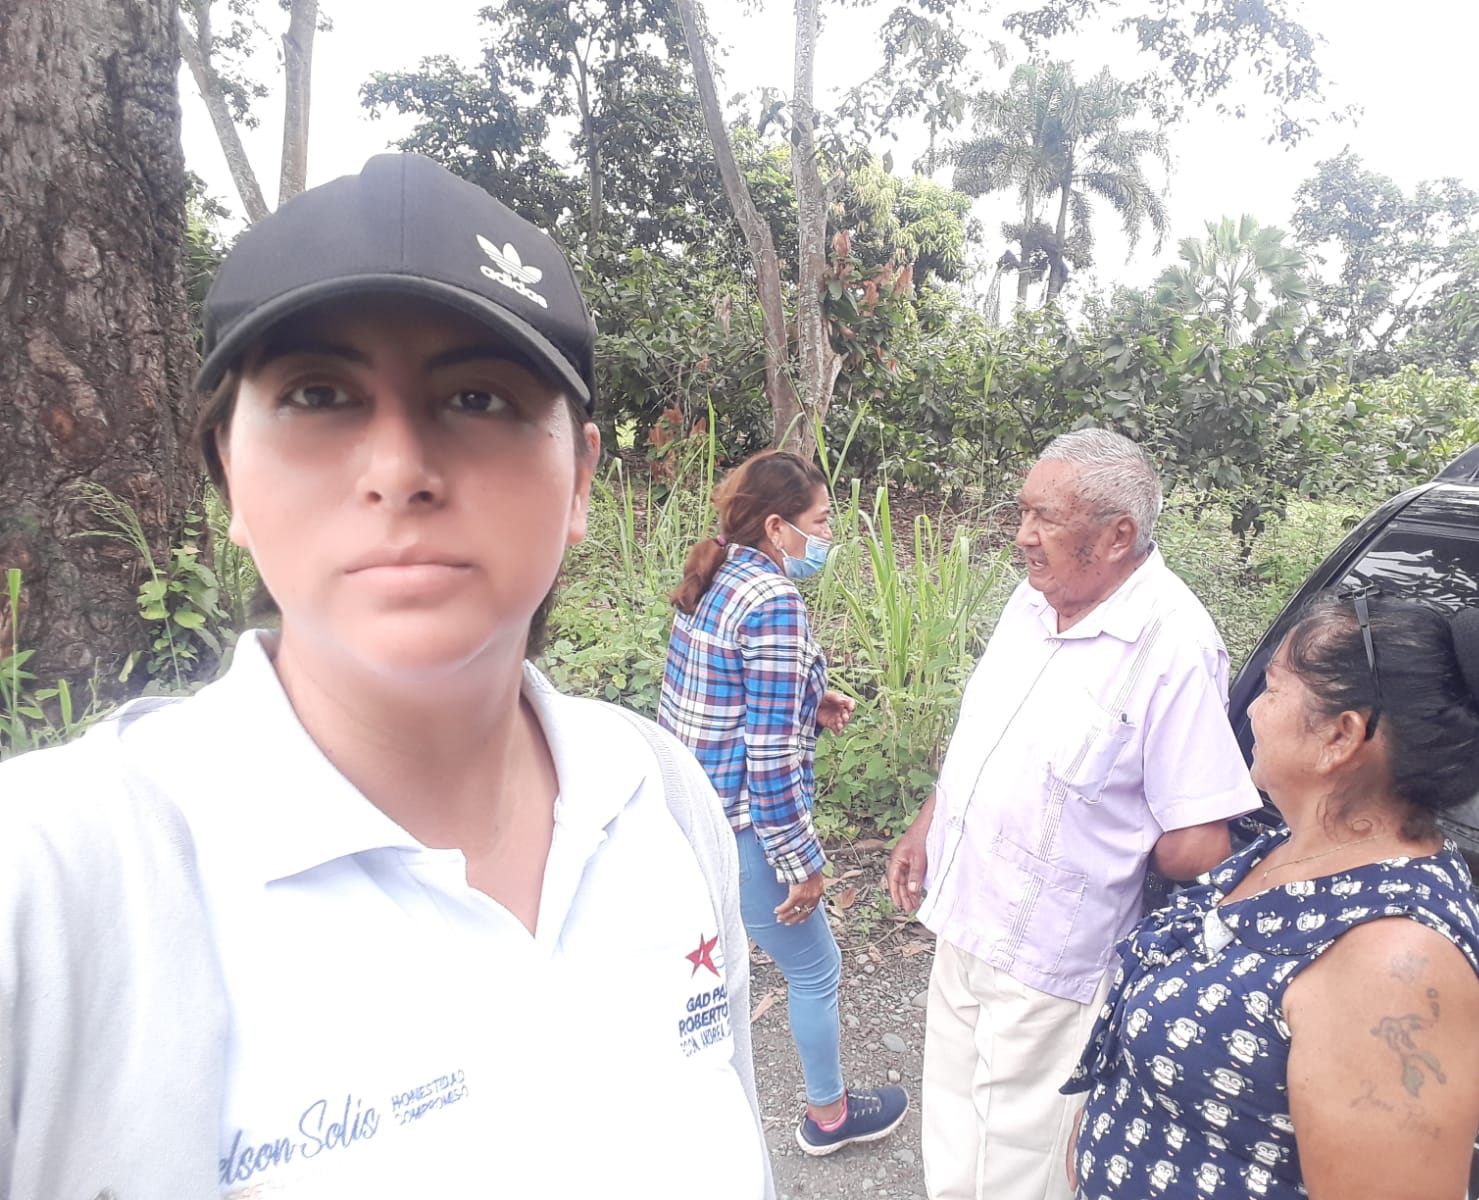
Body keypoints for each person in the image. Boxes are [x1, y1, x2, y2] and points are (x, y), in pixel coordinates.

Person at [0, 154, 773, 1200]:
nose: (399, 470)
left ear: (580, 479)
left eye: (477, 397)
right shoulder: (51, 884)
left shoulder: (658, 794)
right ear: (229, 471)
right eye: (319, 395)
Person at [1062, 593, 1479, 1199]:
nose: (1252, 710)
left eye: (1273, 690)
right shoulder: (1299, 850)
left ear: (1340, 736)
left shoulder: (1394, 968)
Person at [886, 428, 1262, 1200]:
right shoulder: (1035, 597)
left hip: (1050, 961)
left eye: (1046, 518)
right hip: (965, 911)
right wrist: (931, 820)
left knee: (1018, 1172)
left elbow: (1199, 841)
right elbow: (988, 733)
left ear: (1118, 535)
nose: (1022, 535)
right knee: (952, 1138)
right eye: (1024, 511)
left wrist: (1109, 862)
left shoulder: (1173, 644)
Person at [659, 451, 910, 1156]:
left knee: (705, 963)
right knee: (815, 969)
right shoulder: (774, 601)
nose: (829, 535)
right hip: (742, 826)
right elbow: (767, 758)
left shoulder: (721, 572)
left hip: (691, 812)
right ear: (778, 526)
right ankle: (828, 1118)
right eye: (821, 522)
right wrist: (803, 864)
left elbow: (718, 691)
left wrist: (809, 697)